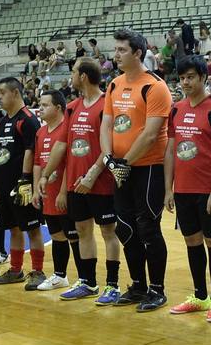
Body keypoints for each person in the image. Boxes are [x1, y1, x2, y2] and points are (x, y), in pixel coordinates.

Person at [102, 29, 173, 312]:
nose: (115, 55)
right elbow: (106, 125)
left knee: (148, 228)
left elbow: (151, 134)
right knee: (125, 228)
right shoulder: (114, 85)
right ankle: (137, 285)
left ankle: (157, 289)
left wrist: (124, 163)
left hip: (148, 169)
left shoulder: (155, 87)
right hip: (120, 168)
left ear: (138, 54)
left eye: (121, 50)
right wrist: (109, 159)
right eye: (115, 49)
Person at [163, 55, 211, 321]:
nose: (185, 82)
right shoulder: (176, 109)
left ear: (204, 78)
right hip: (183, 190)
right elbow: (170, 149)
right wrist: (168, 188)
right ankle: (199, 296)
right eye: (182, 78)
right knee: (192, 241)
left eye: (191, 77)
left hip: (209, 191)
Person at [59, 57, 122, 302]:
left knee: (108, 231)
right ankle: (88, 282)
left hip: (101, 181)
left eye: (74, 72)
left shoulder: (108, 104)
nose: (71, 76)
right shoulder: (72, 106)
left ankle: (113, 285)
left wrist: (92, 174)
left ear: (83, 76)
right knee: (83, 229)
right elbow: (65, 147)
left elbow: (112, 146)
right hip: (76, 182)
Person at [0, 76, 43, 285]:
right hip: (4, 186)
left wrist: (25, 180)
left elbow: (32, 151)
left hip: (23, 185)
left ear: (15, 93)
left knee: (32, 228)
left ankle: (38, 272)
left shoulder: (28, 119)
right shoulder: (2, 122)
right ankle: (15, 270)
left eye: (2, 93)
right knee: (13, 228)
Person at [30, 88, 73, 292]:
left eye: (45, 105)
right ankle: (60, 275)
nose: (40, 108)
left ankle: (86, 279)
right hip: (48, 192)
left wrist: (63, 192)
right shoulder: (40, 132)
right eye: (40, 104)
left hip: (64, 192)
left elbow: (70, 163)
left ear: (58, 107)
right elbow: (38, 162)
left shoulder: (67, 129)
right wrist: (36, 189)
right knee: (57, 235)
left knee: (74, 235)